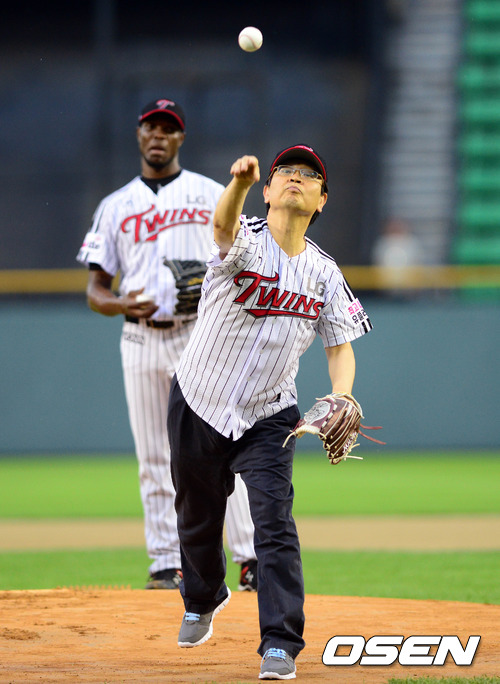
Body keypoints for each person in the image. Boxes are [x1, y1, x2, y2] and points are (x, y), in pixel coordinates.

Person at [167, 145, 373, 679]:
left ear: (322, 200)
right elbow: (221, 226)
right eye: (286, 172)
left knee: (274, 524)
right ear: (267, 190)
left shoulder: (324, 273)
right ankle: (204, 596)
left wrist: (343, 393)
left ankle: (280, 642)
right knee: (196, 514)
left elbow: (340, 344)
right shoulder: (246, 240)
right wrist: (236, 183)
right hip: (199, 398)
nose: (296, 179)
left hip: (270, 415)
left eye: (310, 176)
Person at [76, 98, 257, 592]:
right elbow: (95, 290)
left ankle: (250, 557)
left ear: (181, 137)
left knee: (223, 444)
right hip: (140, 337)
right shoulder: (115, 206)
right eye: (151, 127)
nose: (158, 135)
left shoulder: (210, 193)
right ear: (139, 134)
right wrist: (118, 304)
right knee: (154, 454)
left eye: (168, 128)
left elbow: (244, 257)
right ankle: (165, 561)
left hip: (201, 335)